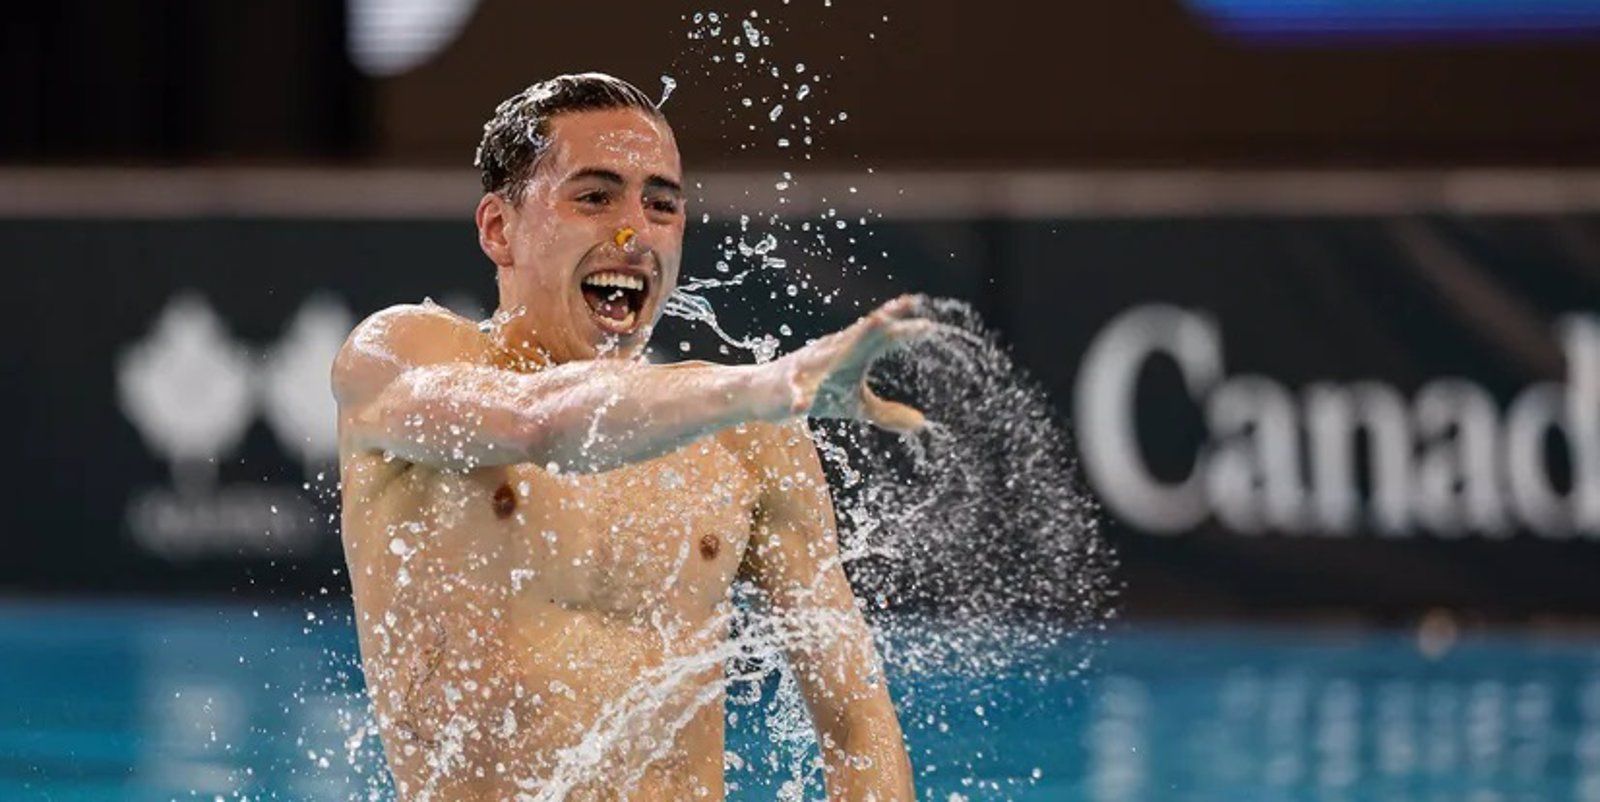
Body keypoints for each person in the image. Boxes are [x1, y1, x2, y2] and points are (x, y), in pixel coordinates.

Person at [333, 72, 926, 801]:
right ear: (499, 228)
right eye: (594, 196)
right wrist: (773, 385)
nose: (633, 232)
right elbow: (540, 420)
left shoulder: (745, 438)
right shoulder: (401, 356)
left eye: (661, 205)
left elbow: (853, 720)